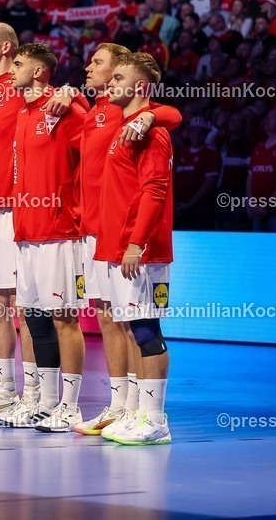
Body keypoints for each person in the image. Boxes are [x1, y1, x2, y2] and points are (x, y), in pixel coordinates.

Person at [74, 44, 182, 436]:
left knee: (146, 328)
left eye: (117, 78)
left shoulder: (151, 132)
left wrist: (137, 243)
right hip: (117, 246)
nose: (110, 83)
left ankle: (154, 420)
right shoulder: (124, 127)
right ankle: (132, 411)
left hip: (139, 250)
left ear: (138, 85)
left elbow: (154, 191)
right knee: (130, 323)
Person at [0, 43, 87, 431]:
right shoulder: (23, 113)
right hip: (27, 231)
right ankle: (46, 402)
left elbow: (101, 134)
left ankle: (71, 406)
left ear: (39, 72)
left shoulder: (64, 109)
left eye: (17, 64)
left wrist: (75, 95)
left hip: (60, 229)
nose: (10, 69)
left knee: (65, 319)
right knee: (34, 319)